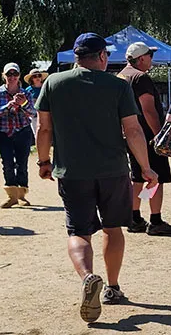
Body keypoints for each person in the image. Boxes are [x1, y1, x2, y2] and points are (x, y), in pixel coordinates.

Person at [35, 33, 159, 321]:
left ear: (77, 57)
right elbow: (133, 130)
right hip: (113, 170)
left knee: (79, 232)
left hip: (72, 171)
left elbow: (44, 129)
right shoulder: (117, 85)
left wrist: (44, 162)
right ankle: (112, 287)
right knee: (113, 229)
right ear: (102, 56)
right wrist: (146, 167)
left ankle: (87, 277)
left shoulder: (53, 83)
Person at [118, 43, 171, 236]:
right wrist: (159, 135)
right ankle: (155, 219)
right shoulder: (140, 77)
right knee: (156, 177)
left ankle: (134, 218)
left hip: (130, 135)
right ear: (142, 58)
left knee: (137, 177)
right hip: (147, 136)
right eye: (150, 56)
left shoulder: (121, 76)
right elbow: (149, 109)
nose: (152, 60)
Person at [0, 63, 36, 208]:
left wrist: (23, 103)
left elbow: (33, 113)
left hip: (23, 131)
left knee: (22, 164)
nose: (12, 77)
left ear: (19, 76)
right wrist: (8, 106)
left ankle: (21, 195)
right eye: (9, 74)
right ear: (4, 76)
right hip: (3, 132)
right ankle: (11, 195)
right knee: (7, 164)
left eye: (15, 74)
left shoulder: (25, 93)